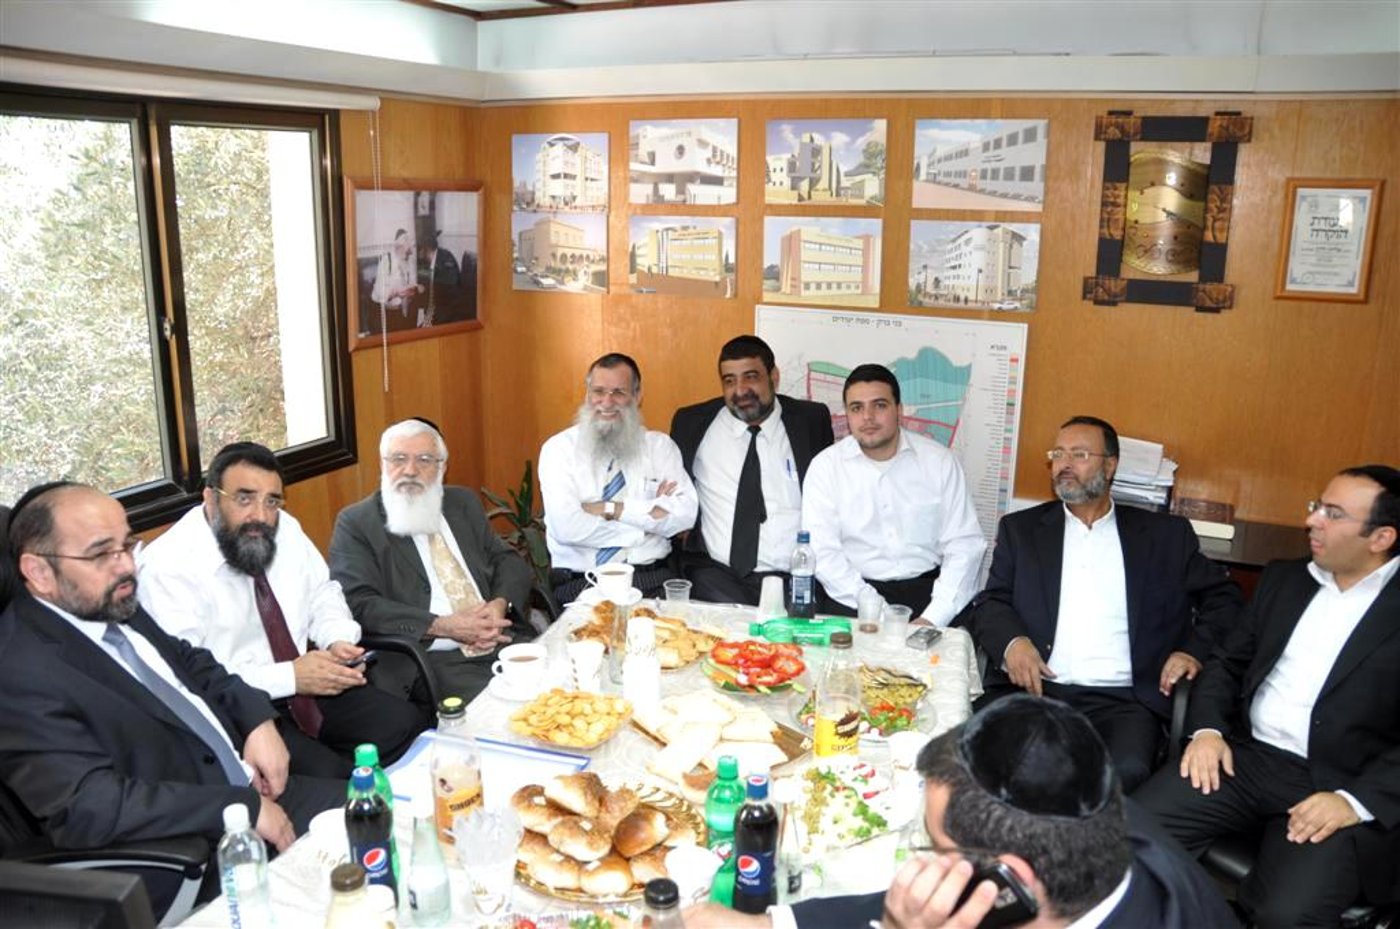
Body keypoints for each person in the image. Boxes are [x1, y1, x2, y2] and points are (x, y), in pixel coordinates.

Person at [683, 694, 1238, 928]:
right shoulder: (1089, 817)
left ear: (1006, 886)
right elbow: (908, 899)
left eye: (934, 846)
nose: (923, 860)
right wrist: (770, 923)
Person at [0, 482, 344, 860]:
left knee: (381, 812)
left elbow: (190, 661)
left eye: (127, 545)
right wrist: (235, 807)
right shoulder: (20, 672)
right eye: (101, 553)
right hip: (190, 847)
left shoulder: (106, 602)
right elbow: (89, 807)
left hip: (250, 791)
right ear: (39, 571)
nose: (126, 566)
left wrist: (256, 719)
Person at [1135, 465, 1400, 928]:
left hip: (1338, 781)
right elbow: (1226, 663)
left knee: (1286, 913)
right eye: (1317, 506)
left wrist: (1354, 801)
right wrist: (1208, 731)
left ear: (1381, 538)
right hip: (1244, 759)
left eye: (1333, 514)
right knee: (1128, 838)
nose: (1312, 521)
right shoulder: (1285, 579)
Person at [965, 416, 1242, 792]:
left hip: (1122, 702)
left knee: (1118, 774)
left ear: (1110, 466)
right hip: (1035, 690)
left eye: (1079, 455)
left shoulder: (1164, 537)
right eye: (1058, 454)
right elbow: (992, 601)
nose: (1064, 464)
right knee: (990, 764)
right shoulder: (1022, 530)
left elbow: (1225, 600)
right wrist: (1013, 643)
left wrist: (1191, 650)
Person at [137, 442, 426, 778]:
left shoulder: (284, 527)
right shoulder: (167, 568)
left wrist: (337, 639)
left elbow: (323, 592)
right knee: (332, 778)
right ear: (211, 498)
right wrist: (290, 677)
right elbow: (185, 678)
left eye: (272, 501)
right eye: (244, 499)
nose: (260, 515)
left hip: (309, 684)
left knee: (406, 726)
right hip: (241, 710)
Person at [329, 419, 535, 704]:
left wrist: (499, 604)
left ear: (442, 467)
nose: (410, 470)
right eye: (398, 459)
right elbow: (359, 602)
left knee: (569, 691)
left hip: (501, 638)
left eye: (424, 460)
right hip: (432, 659)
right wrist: (442, 625)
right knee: (514, 712)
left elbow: (507, 559)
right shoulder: (358, 523)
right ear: (382, 464)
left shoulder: (461, 502)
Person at [801, 363, 985, 625]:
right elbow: (823, 553)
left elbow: (965, 544)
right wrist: (881, 612)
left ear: (899, 410)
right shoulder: (825, 468)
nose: (868, 417)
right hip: (852, 598)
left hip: (931, 598)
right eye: (857, 408)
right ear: (847, 414)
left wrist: (935, 617)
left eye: (879, 405)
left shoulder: (939, 462)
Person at [669, 334, 835, 604]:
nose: (740, 390)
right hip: (716, 578)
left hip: (793, 579)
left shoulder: (811, 421)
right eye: (729, 381)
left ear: (774, 377)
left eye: (751, 377)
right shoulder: (691, 423)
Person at [538, 353, 697, 603]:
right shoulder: (559, 450)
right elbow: (567, 528)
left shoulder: (659, 447)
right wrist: (647, 525)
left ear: (637, 396)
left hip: (650, 577)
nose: (607, 402)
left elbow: (685, 516)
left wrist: (611, 508)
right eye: (598, 391)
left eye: (619, 393)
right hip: (582, 581)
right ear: (587, 394)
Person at [415, 229, 467, 327]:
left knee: (419, 331)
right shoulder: (437, 259)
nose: (419, 254)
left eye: (420, 249)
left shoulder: (446, 260)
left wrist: (429, 323)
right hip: (439, 313)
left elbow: (447, 296)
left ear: (426, 249)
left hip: (449, 317)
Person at [369, 228, 420, 326]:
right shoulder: (387, 261)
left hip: (404, 312)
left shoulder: (410, 262)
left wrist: (413, 289)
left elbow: (412, 283)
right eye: (409, 242)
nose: (412, 245)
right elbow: (379, 293)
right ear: (400, 246)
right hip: (387, 314)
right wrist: (395, 292)